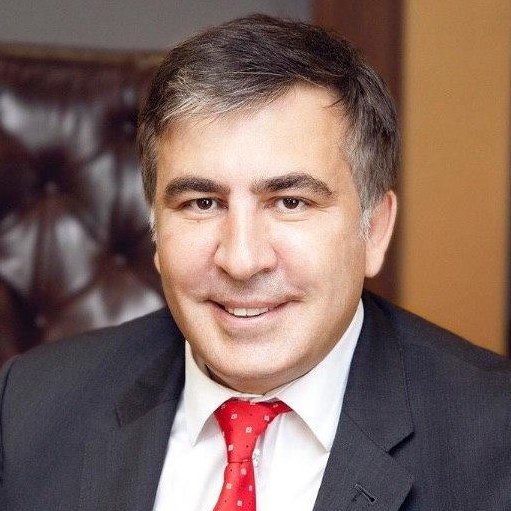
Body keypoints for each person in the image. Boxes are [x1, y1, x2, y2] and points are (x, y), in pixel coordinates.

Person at [1, 14, 510, 511]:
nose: (242, 261)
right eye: (202, 203)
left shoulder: (495, 439)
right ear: (155, 227)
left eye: (290, 202)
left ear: (374, 229)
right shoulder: (28, 408)